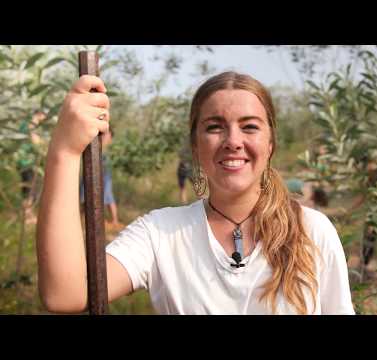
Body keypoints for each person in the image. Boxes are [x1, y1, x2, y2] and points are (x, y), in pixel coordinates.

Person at [36, 71, 354, 315]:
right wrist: (64, 152)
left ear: (270, 145)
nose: (233, 140)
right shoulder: (160, 233)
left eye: (250, 126)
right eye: (215, 126)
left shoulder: (313, 231)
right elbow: (66, 293)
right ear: (195, 147)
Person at [79, 127, 123, 231]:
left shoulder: (110, 149)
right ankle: (81, 218)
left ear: (110, 137)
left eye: (107, 134)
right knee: (84, 194)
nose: (104, 136)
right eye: (104, 134)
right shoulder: (95, 144)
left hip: (105, 175)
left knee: (107, 195)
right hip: (90, 173)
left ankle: (114, 220)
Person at [17, 110, 47, 225]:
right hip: (27, 162)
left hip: (25, 162)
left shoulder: (26, 123)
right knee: (30, 189)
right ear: (39, 114)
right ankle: (27, 217)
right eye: (44, 116)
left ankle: (28, 215)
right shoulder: (31, 124)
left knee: (29, 189)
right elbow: (35, 141)